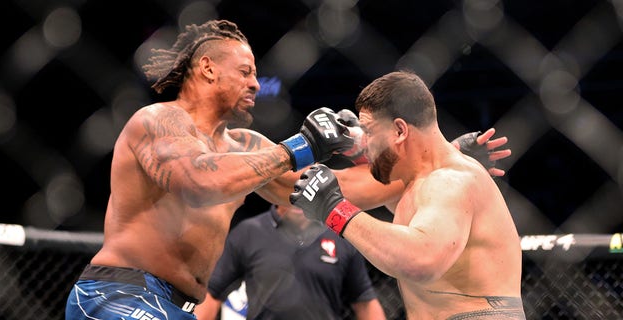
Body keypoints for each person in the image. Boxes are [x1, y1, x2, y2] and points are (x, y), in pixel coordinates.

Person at [64, 18, 510, 319]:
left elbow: (324, 190)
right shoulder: (157, 121)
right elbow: (200, 181)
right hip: (121, 292)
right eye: (245, 71)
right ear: (206, 69)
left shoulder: (245, 146)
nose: (257, 83)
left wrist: (435, 158)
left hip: (179, 306)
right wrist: (301, 146)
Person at [290, 70, 526, 319]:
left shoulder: (450, 181)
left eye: (369, 132)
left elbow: (422, 259)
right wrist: (352, 141)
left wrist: (334, 208)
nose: (365, 142)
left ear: (400, 131)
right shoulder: (418, 185)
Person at [194, 203, 386, 320]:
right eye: (291, 189)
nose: (298, 197)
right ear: (276, 190)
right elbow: (212, 294)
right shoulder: (249, 232)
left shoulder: (339, 237)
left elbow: (365, 302)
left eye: (304, 189)